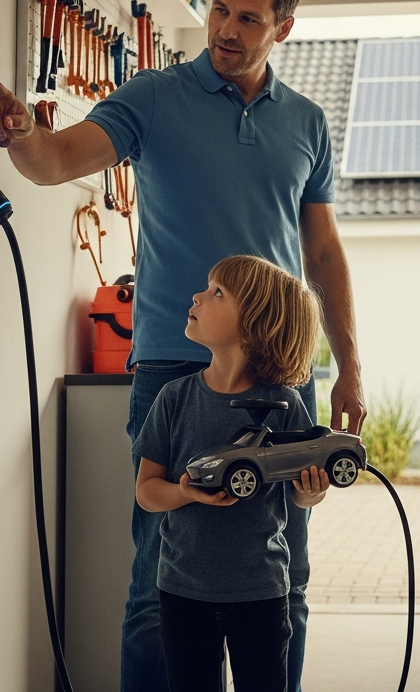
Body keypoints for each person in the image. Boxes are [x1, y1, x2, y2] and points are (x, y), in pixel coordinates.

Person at [0, 0, 366, 692]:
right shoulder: (153, 97)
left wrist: (350, 364)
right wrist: (23, 133)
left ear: (282, 28)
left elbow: (322, 251)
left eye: (248, 18)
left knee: (284, 578)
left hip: (283, 373)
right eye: (220, 9)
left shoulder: (308, 123)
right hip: (172, 369)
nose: (226, 28)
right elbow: (57, 160)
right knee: (160, 585)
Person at [136, 255, 329, 692]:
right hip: (183, 593)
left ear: (254, 324)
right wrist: (187, 493)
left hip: (260, 593)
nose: (197, 295)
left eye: (217, 292)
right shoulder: (174, 399)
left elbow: (298, 495)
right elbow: (147, 491)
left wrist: (311, 493)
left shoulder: (284, 405)